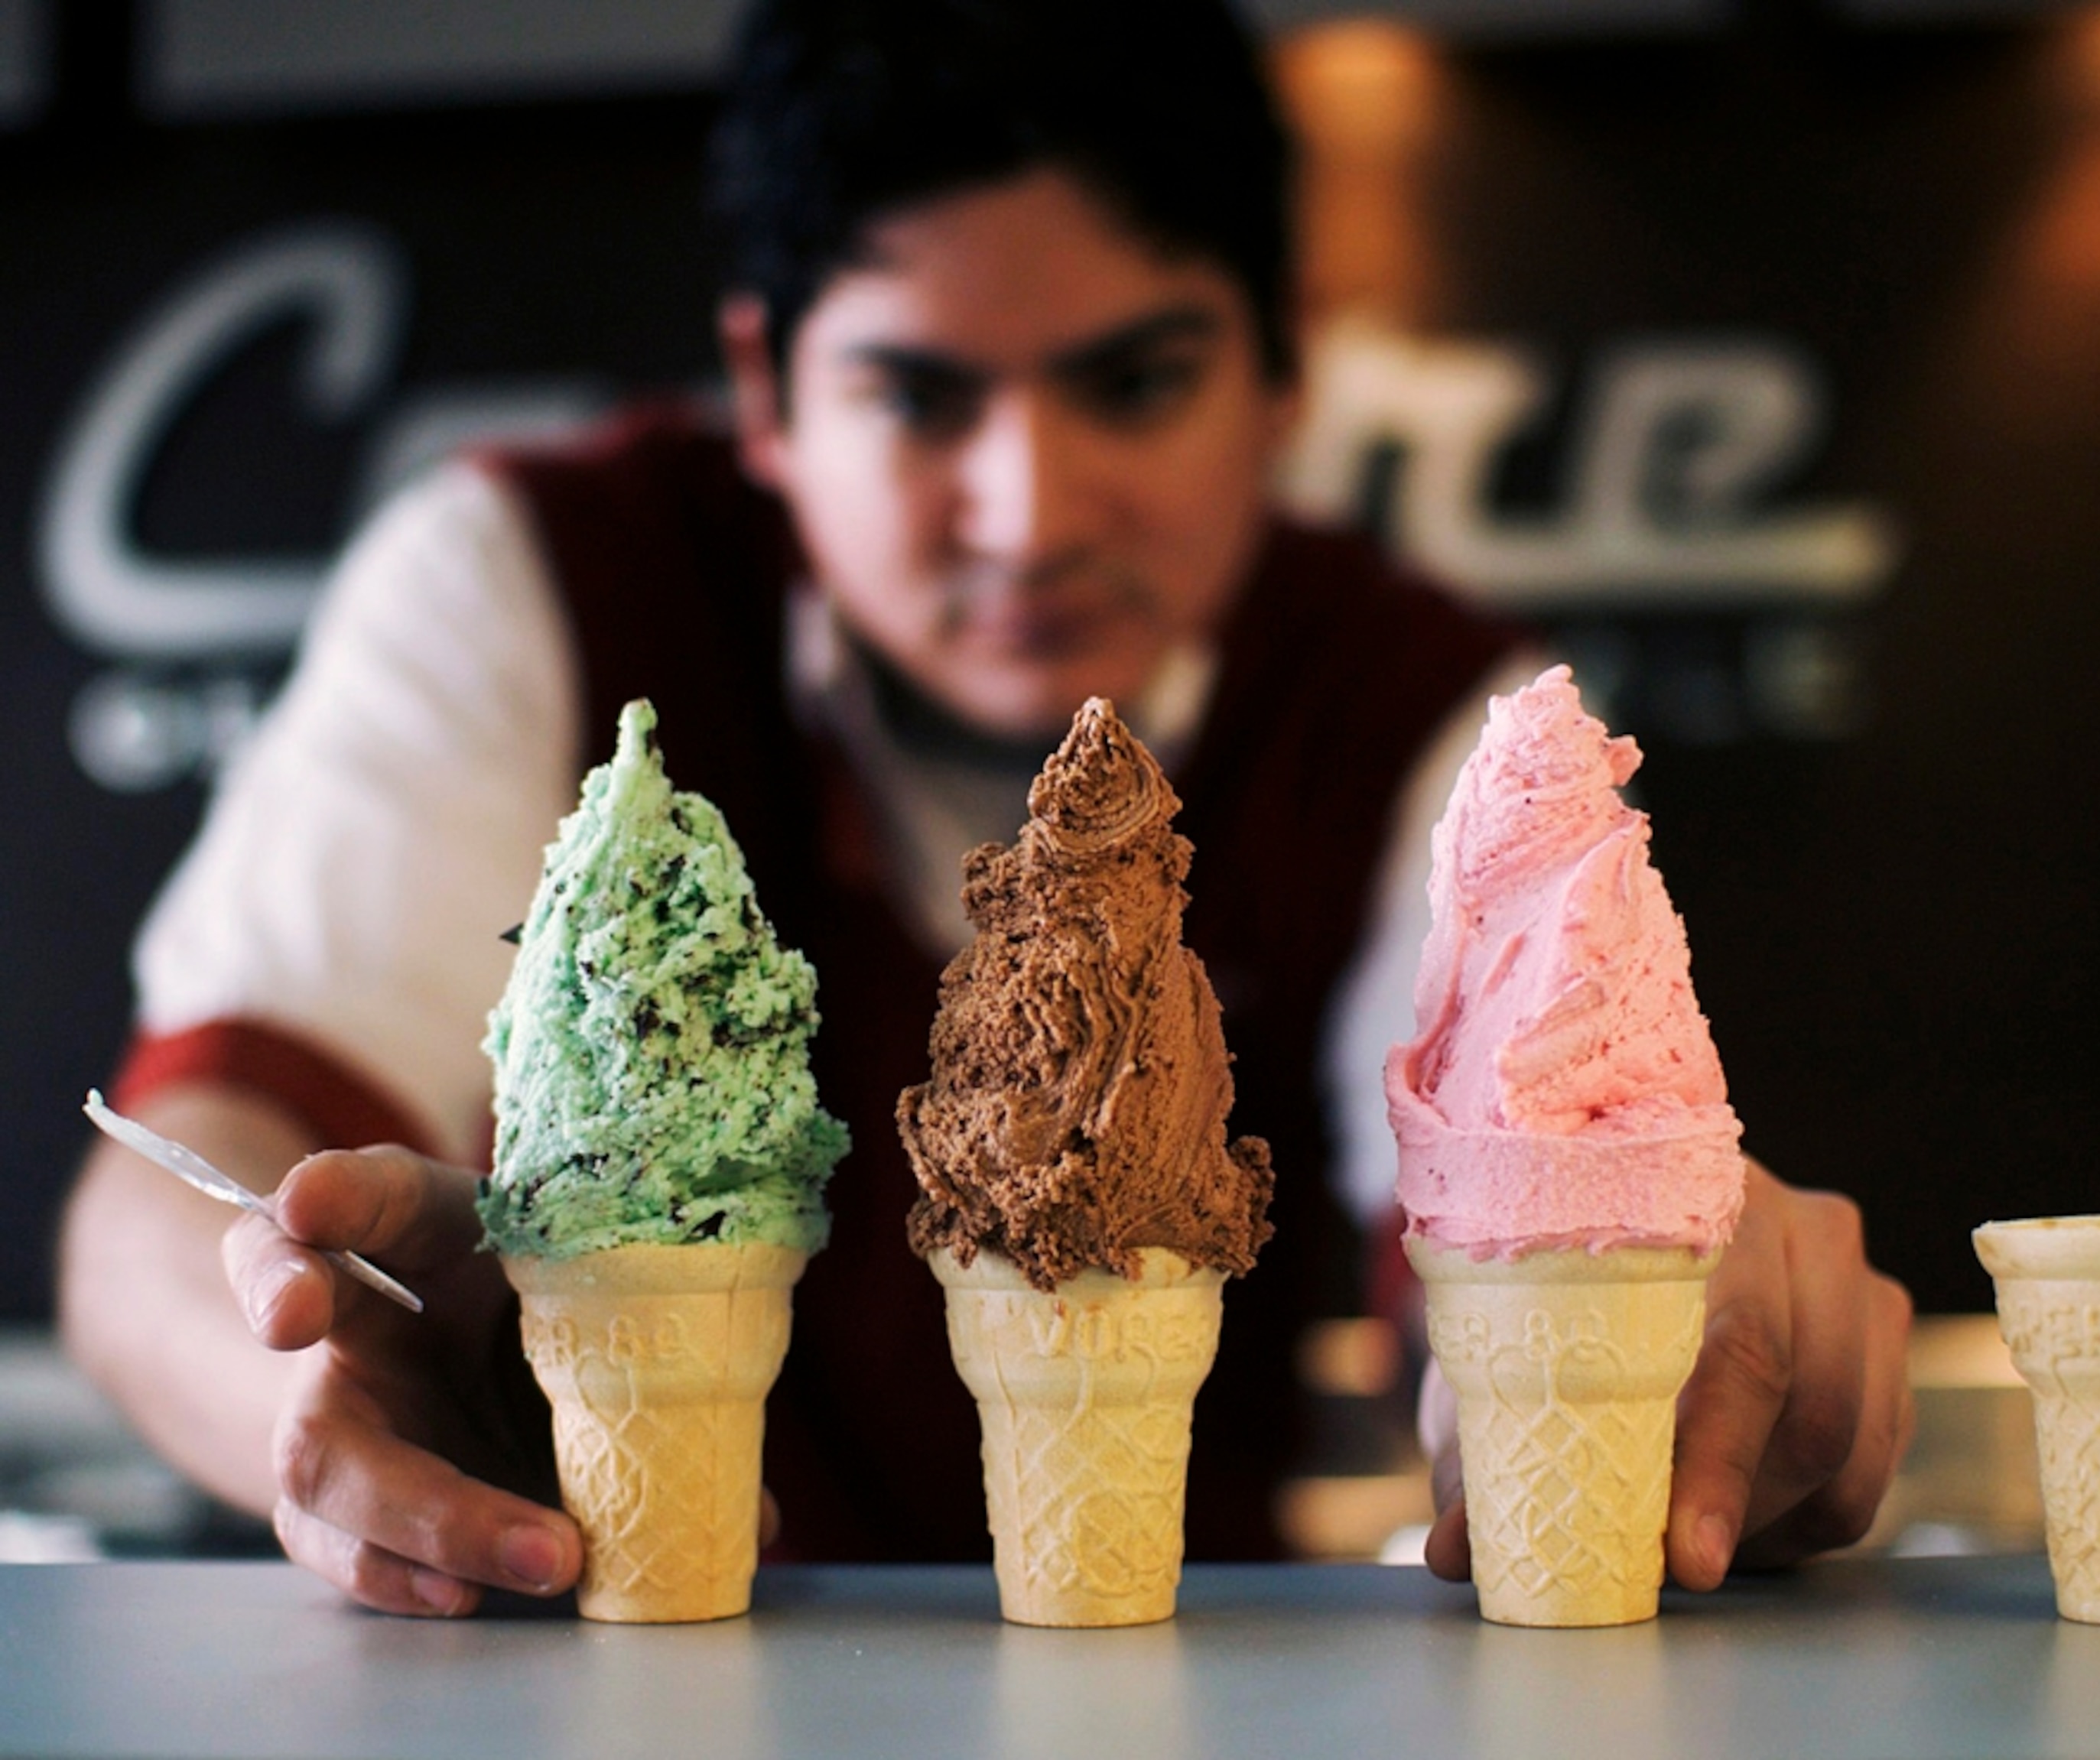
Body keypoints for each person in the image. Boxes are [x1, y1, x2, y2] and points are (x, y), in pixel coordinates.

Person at [57, 0, 1913, 1617]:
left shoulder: (1418, 709)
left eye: (1136, 379)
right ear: (768, 391)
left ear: (1283, 377)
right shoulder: (536, 578)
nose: (1029, 508)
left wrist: (1656, 1320)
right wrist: (296, 1374)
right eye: (922, 396)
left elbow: (1488, 1243)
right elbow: (190, 1156)